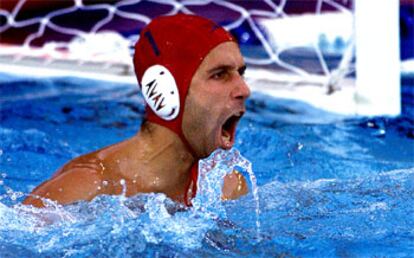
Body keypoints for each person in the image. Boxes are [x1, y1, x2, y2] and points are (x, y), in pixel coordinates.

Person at [23, 14, 251, 208]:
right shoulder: (84, 191)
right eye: (219, 74)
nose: (244, 89)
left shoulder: (227, 186)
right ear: (164, 92)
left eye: (241, 73)